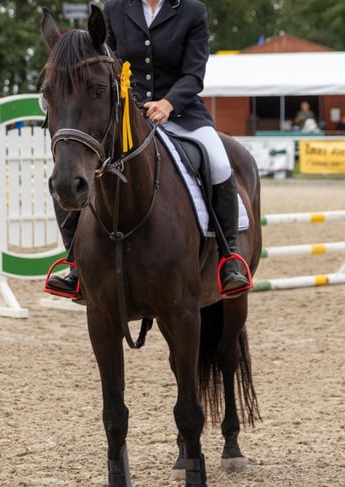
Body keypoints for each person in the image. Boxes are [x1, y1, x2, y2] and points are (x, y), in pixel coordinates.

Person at [46, 0, 251, 298]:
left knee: (219, 162)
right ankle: (75, 264)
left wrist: (169, 103)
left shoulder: (192, 10)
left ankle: (228, 258)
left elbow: (194, 74)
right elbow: (106, 63)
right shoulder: (116, 9)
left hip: (182, 113)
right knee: (69, 168)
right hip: (129, 116)